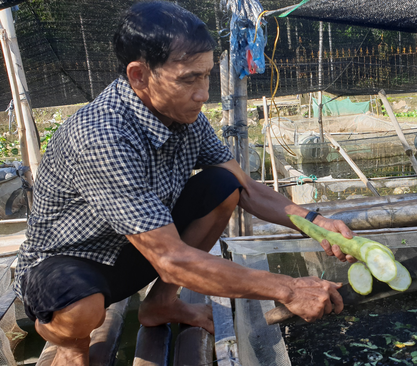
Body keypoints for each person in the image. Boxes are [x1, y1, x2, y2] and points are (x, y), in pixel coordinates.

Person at [14, 2, 355, 365]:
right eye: (188, 78)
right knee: (82, 312)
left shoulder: (186, 118)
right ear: (139, 75)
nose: (203, 93)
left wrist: (316, 223)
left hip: (140, 249)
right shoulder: (102, 136)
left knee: (224, 185)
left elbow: (248, 188)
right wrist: (287, 288)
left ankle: (160, 303)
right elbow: (172, 258)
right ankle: (70, 343)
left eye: (206, 75)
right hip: (69, 263)